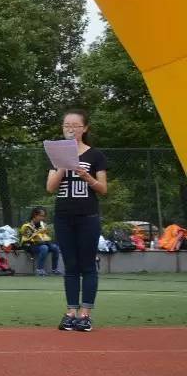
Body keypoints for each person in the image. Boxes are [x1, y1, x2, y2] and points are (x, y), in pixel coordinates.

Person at [47, 108, 107, 332]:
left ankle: (85, 314)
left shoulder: (95, 155)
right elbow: (50, 187)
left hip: (88, 217)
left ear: (85, 128)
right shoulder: (55, 154)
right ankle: (71, 312)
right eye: (67, 125)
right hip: (63, 217)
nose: (70, 129)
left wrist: (87, 177)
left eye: (75, 125)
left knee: (88, 265)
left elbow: (103, 189)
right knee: (70, 266)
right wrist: (63, 164)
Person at [19, 206, 62, 277]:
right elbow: (28, 237)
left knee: (55, 247)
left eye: (44, 216)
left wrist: (45, 232)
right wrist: (38, 232)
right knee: (44, 248)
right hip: (30, 245)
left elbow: (45, 237)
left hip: (42, 243)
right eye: (41, 216)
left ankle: (54, 269)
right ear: (35, 215)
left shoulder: (43, 225)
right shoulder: (26, 226)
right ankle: (39, 269)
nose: (43, 218)